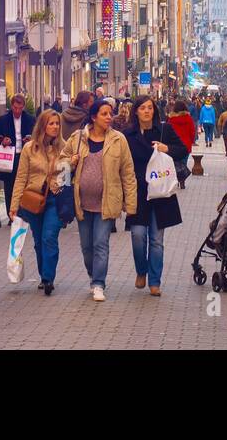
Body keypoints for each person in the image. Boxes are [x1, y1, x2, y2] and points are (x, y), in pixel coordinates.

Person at [61, 98, 137, 301]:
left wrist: (130, 203)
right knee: (87, 247)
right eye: (104, 114)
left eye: (110, 113)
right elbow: (61, 163)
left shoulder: (118, 140)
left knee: (101, 243)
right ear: (93, 117)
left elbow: (128, 173)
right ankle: (92, 275)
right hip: (82, 203)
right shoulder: (78, 138)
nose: (109, 117)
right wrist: (71, 161)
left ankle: (98, 283)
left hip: (107, 201)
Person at [123, 95, 184, 297]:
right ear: (136, 112)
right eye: (142, 108)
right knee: (138, 235)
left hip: (161, 193)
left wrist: (167, 149)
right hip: (138, 192)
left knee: (156, 240)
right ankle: (141, 270)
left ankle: (155, 281)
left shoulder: (164, 130)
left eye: (150, 108)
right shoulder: (128, 134)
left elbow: (183, 149)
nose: (147, 111)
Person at [8, 108, 66, 295]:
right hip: (33, 199)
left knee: (49, 237)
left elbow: (68, 176)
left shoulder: (64, 148)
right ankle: (43, 275)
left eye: (57, 123)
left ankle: (48, 278)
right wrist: (14, 205)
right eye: (51, 123)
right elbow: (21, 177)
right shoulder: (29, 148)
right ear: (43, 125)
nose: (55, 127)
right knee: (39, 240)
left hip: (55, 199)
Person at [0, 94, 36, 214]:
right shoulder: (3, 119)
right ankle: (10, 213)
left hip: (25, 155)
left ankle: (23, 212)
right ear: (11, 106)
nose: (17, 111)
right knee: (9, 186)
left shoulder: (30, 119)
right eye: (15, 108)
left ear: (23, 107)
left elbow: (37, 135)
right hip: (10, 156)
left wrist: (31, 139)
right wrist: (2, 140)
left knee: (24, 184)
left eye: (20, 108)